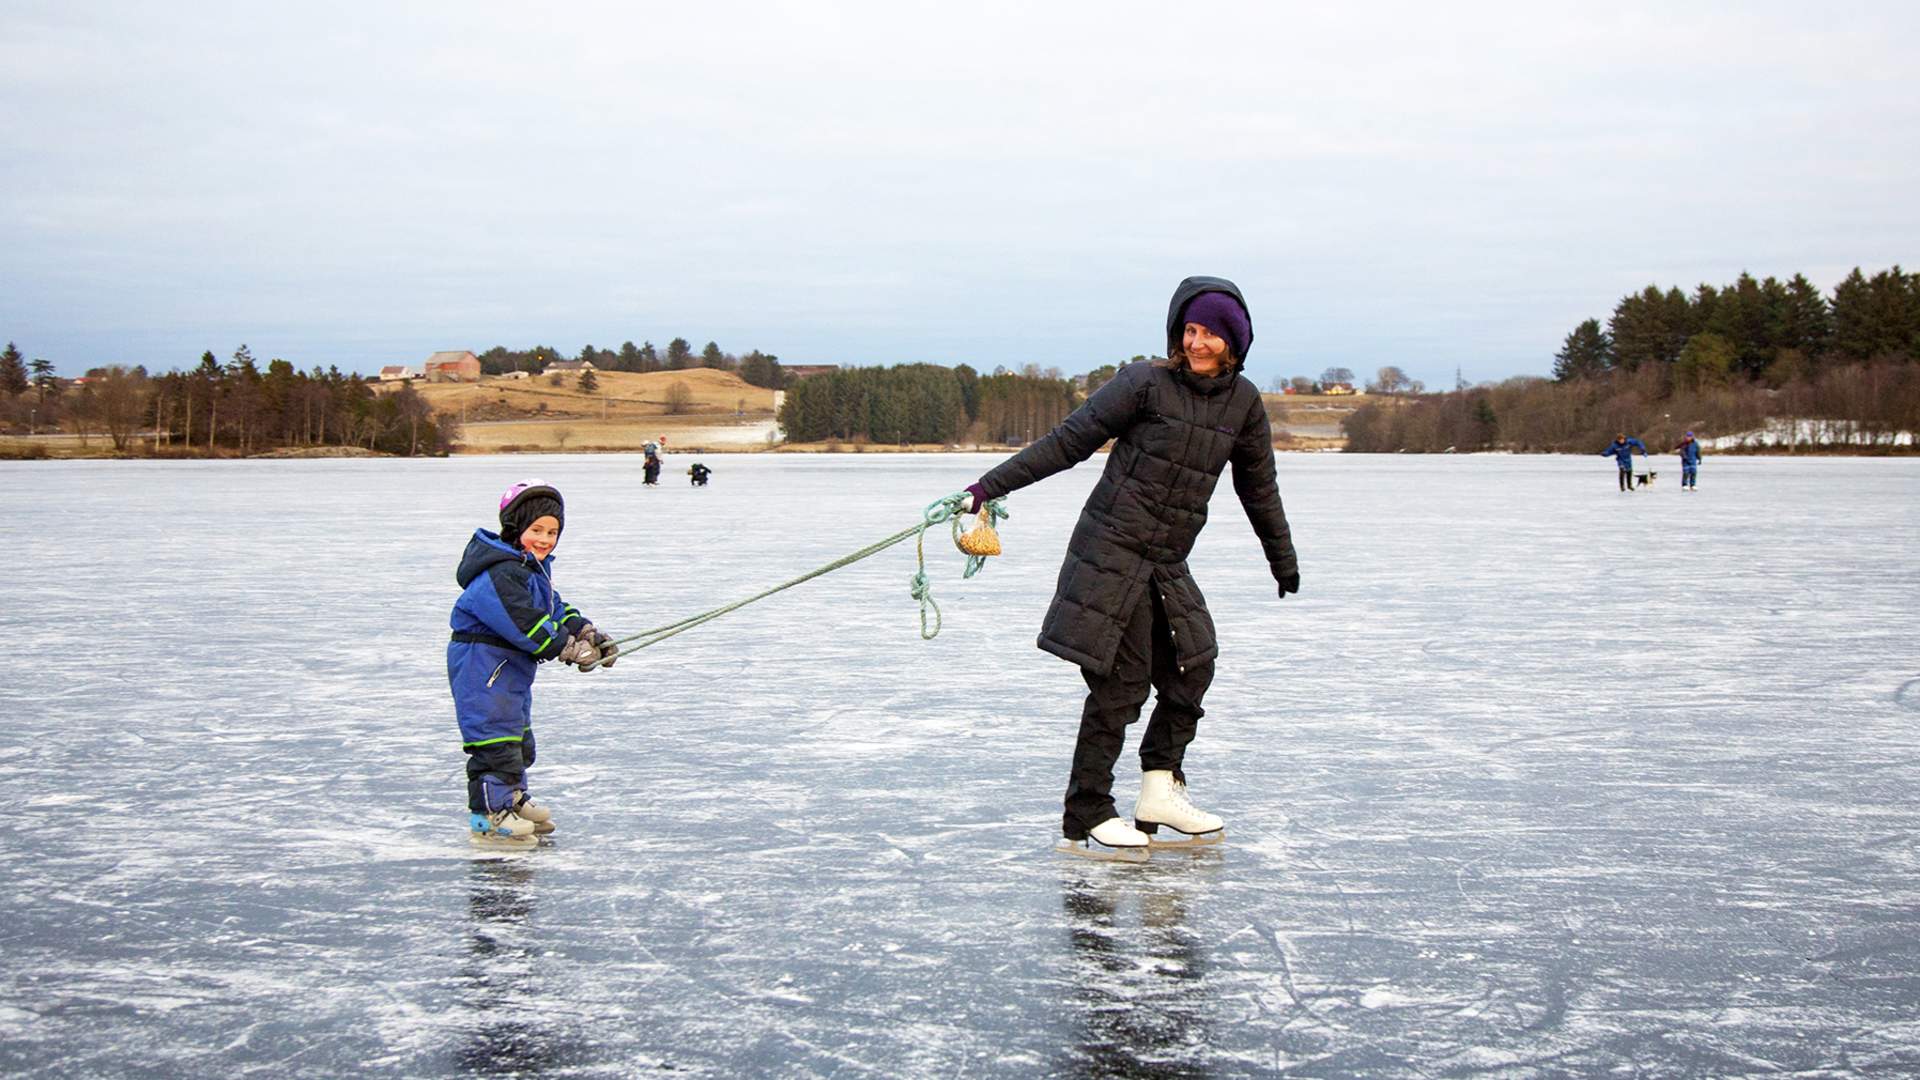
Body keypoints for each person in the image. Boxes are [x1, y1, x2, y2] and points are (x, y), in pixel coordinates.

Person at [955, 276, 1299, 861]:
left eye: (1209, 333)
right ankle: (1086, 811)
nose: (1195, 342)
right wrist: (988, 486)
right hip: (1111, 549)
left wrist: (1281, 558)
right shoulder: (1145, 383)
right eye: (1189, 330)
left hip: (1166, 559)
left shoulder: (1243, 405)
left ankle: (1160, 791)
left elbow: (1258, 487)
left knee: (1194, 665)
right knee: (1122, 683)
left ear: (1234, 342)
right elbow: (1069, 442)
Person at [448, 480, 618, 847]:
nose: (545, 539)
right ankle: (489, 816)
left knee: (517, 739)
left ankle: (512, 799)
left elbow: (553, 608)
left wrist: (587, 632)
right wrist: (565, 647)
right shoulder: (500, 573)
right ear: (515, 529)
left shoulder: (529, 569)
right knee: (494, 739)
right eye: (536, 530)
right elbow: (525, 622)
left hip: (509, 670)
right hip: (483, 668)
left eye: (552, 532)